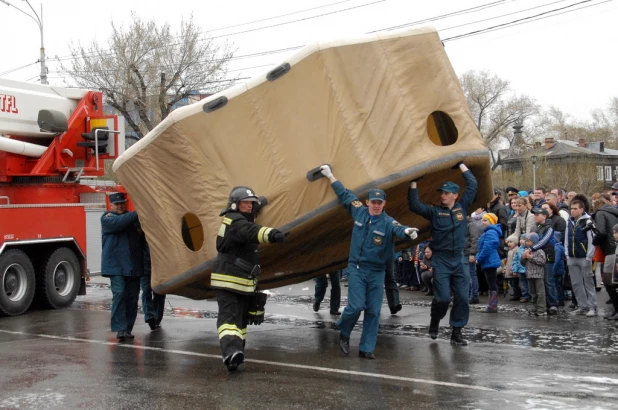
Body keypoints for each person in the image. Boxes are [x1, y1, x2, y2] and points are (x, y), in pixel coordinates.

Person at [319, 165, 418, 359]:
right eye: (373, 202)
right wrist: (330, 175)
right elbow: (344, 194)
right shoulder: (359, 212)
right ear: (367, 202)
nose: (376, 205)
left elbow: (399, 228)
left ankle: (366, 348)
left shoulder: (388, 222)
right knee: (356, 306)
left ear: (384, 204)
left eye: (380, 203)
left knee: (373, 310)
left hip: (377, 271)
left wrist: (407, 232)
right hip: (356, 268)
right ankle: (344, 331)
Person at [212, 186, 287, 372]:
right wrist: (273, 235)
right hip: (228, 280)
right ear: (235, 205)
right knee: (229, 320)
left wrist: (259, 203)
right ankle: (231, 352)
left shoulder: (238, 218)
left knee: (240, 322)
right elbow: (251, 231)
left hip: (241, 281)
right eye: (246, 203)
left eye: (252, 204)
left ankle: (237, 354)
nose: (250, 207)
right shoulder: (235, 222)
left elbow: (250, 221)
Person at [408, 161, 478, 346]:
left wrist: (462, 166)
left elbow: (473, 185)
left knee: (463, 297)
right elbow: (415, 205)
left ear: (455, 195)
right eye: (442, 193)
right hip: (442, 260)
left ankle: (456, 331)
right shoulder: (434, 212)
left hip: (460, 259)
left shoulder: (462, 207)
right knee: (442, 298)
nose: (443, 196)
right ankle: (435, 320)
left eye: (447, 193)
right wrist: (413, 183)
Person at [101, 192, 148, 341]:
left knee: (132, 297)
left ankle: (127, 328)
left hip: (133, 266)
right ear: (111, 205)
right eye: (117, 204)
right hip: (116, 266)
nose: (120, 206)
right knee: (120, 293)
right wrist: (139, 212)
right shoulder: (107, 218)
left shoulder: (134, 219)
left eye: (122, 203)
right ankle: (120, 328)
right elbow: (118, 223)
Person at [565, 199, 597, 317]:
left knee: (588, 282)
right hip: (572, 256)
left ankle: (592, 306)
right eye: (571, 209)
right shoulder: (570, 221)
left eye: (575, 209)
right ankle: (582, 306)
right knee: (576, 283)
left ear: (581, 209)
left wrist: (589, 255)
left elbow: (591, 239)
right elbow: (566, 239)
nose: (572, 211)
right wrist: (567, 253)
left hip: (584, 256)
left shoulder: (587, 221)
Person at [475, 213, 503, 313]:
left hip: (489, 260)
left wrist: (479, 258)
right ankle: (491, 304)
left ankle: (492, 305)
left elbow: (487, 248)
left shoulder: (491, 232)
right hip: (488, 260)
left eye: (485, 220)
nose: (483, 222)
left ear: (491, 221)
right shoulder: (488, 232)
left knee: (491, 283)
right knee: (491, 283)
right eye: (482, 220)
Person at [141, 242, 166, 330]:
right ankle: (151, 317)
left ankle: (154, 318)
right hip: (146, 264)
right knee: (148, 291)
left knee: (158, 292)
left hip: (157, 265)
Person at [521, 233, 547, 316]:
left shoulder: (539, 251)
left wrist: (531, 258)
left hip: (538, 275)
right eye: (526, 241)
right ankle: (535, 306)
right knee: (532, 292)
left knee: (540, 293)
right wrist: (523, 258)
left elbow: (542, 261)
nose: (526, 243)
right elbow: (523, 263)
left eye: (528, 241)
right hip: (529, 275)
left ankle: (542, 309)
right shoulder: (526, 250)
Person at [465, 209, 486, 304]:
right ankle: (466, 295)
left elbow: (475, 239)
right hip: (462, 253)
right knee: (465, 276)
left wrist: (472, 253)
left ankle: (473, 296)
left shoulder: (471, 224)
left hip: (468, 253)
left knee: (471, 275)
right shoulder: (462, 225)